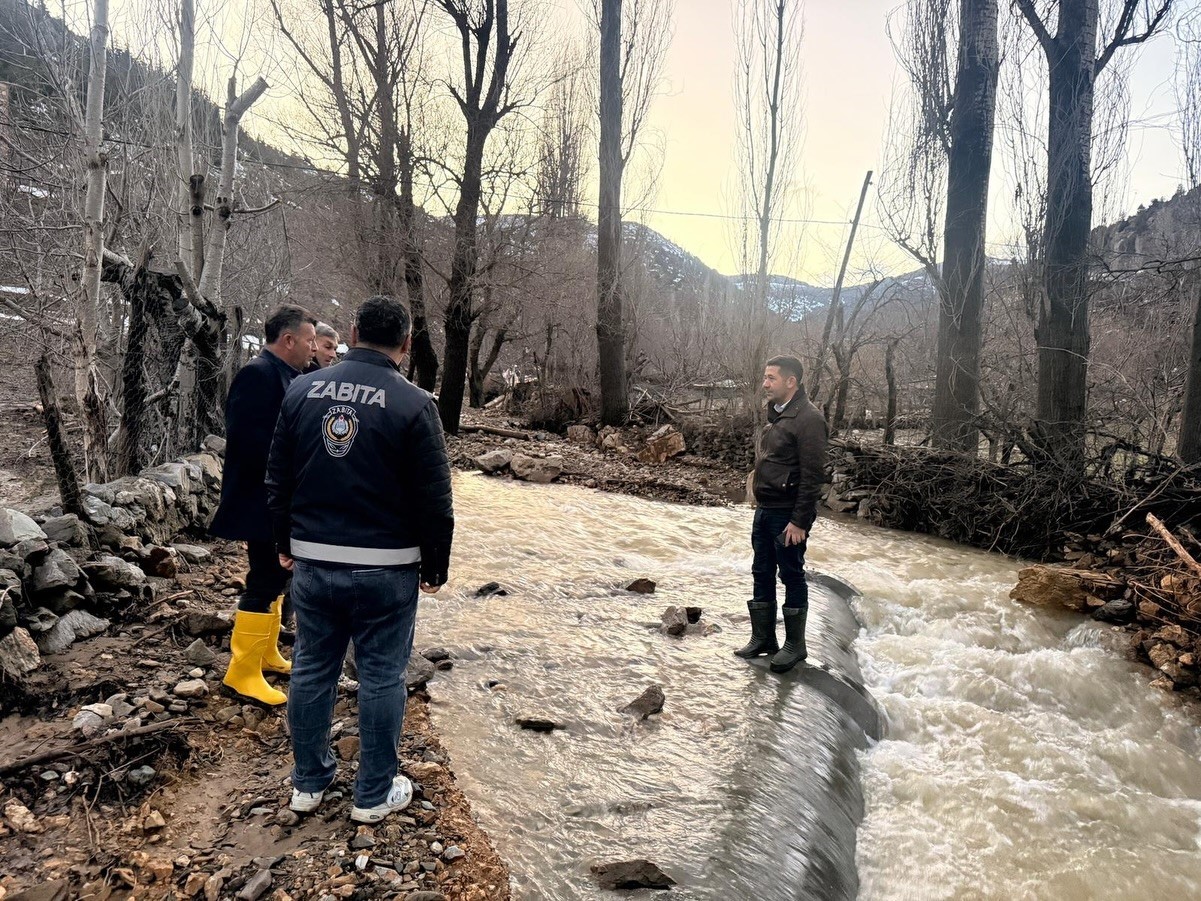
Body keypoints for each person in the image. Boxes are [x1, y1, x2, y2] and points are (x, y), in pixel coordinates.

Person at [266, 295, 454, 824]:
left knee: (311, 670)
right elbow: (435, 499)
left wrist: (283, 541)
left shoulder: (301, 390)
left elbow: (278, 477)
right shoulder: (415, 404)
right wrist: (435, 566)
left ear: (351, 333)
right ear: (407, 344)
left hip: (314, 560)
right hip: (388, 567)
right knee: (382, 677)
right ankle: (372, 795)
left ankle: (308, 784)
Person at [210, 305, 317, 705]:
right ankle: (241, 672)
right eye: (309, 340)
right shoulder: (258, 374)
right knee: (264, 579)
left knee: (278, 578)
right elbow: (253, 445)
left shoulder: (287, 374)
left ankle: (267, 653)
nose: (313, 348)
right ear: (288, 340)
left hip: (277, 500)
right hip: (262, 501)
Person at [735, 355, 828, 674]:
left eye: (771, 378)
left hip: (788, 514)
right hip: (765, 509)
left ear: (791, 382)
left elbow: (813, 475)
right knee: (761, 571)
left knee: (791, 574)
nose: (765, 384)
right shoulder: (777, 414)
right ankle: (763, 638)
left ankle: (795, 646)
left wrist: (800, 521)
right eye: (765, 377)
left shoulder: (809, 418)